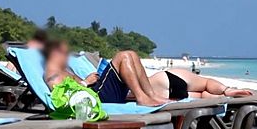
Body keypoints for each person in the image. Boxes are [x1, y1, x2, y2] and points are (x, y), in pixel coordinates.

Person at [42, 40, 170, 106]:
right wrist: (85, 82)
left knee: (131, 54)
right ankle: (141, 98)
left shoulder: (63, 70)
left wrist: (87, 80)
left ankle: (151, 95)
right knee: (123, 56)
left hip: (98, 94)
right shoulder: (51, 73)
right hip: (97, 98)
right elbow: (65, 95)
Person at [148, 69, 253, 100]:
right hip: (164, 79)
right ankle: (226, 91)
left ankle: (222, 96)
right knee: (206, 83)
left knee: (201, 95)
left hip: (166, 95)